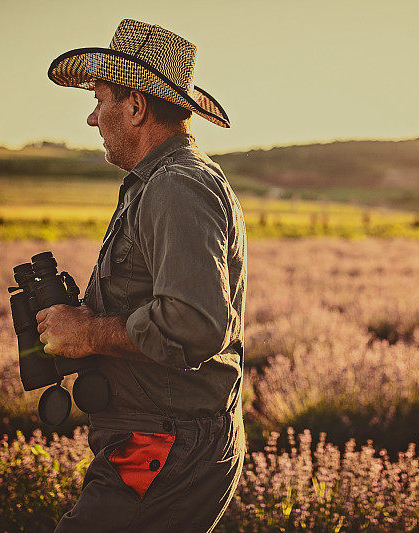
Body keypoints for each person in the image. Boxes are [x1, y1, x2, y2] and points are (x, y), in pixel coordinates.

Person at [36, 19, 247, 532]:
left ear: (135, 105)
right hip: (161, 438)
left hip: (165, 444)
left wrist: (86, 332)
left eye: (100, 98)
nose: (91, 117)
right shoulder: (160, 182)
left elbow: (193, 325)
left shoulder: (176, 186)